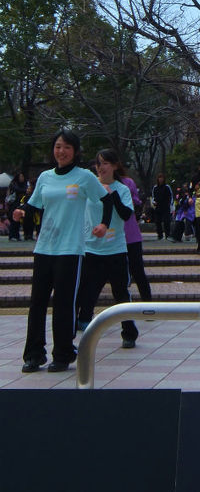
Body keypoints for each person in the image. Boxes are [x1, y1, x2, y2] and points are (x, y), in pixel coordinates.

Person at [22, 130, 115, 374]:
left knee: (64, 304)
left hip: (70, 250)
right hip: (44, 248)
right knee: (37, 303)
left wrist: (104, 224)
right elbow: (33, 204)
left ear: (75, 151)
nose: (61, 151)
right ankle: (34, 355)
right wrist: (21, 211)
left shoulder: (83, 177)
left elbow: (107, 199)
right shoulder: (45, 177)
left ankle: (62, 354)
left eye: (66, 147)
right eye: (57, 146)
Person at [76, 149, 138, 349]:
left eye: (105, 163)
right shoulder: (88, 185)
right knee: (87, 292)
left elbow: (126, 215)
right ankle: (83, 327)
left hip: (115, 250)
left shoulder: (122, 189)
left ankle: (129, 332)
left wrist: (113, 196)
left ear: (114, 166)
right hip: (91, 249)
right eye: (98, 163)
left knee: (120, 293)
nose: (101, 168)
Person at [121, 173, 152, 302]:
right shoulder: (97, 183)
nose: (101, 167)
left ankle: (148, 305)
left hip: (130, 234)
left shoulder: (127, 183)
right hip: (110, 238)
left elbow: (135, 202)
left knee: (138, 272)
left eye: (106, 163)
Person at [151, 173, 173, 240]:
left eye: (162, 178)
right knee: (158, 221)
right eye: (159, 178)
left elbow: (171, 196)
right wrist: (154, 202)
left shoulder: (167, 187)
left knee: (167, 221)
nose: (160, 179)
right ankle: (160, 235)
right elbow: (153, 197)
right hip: (158, 207)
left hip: (166, 207)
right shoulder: (155, 188)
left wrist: (170, 205)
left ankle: (167, 235)